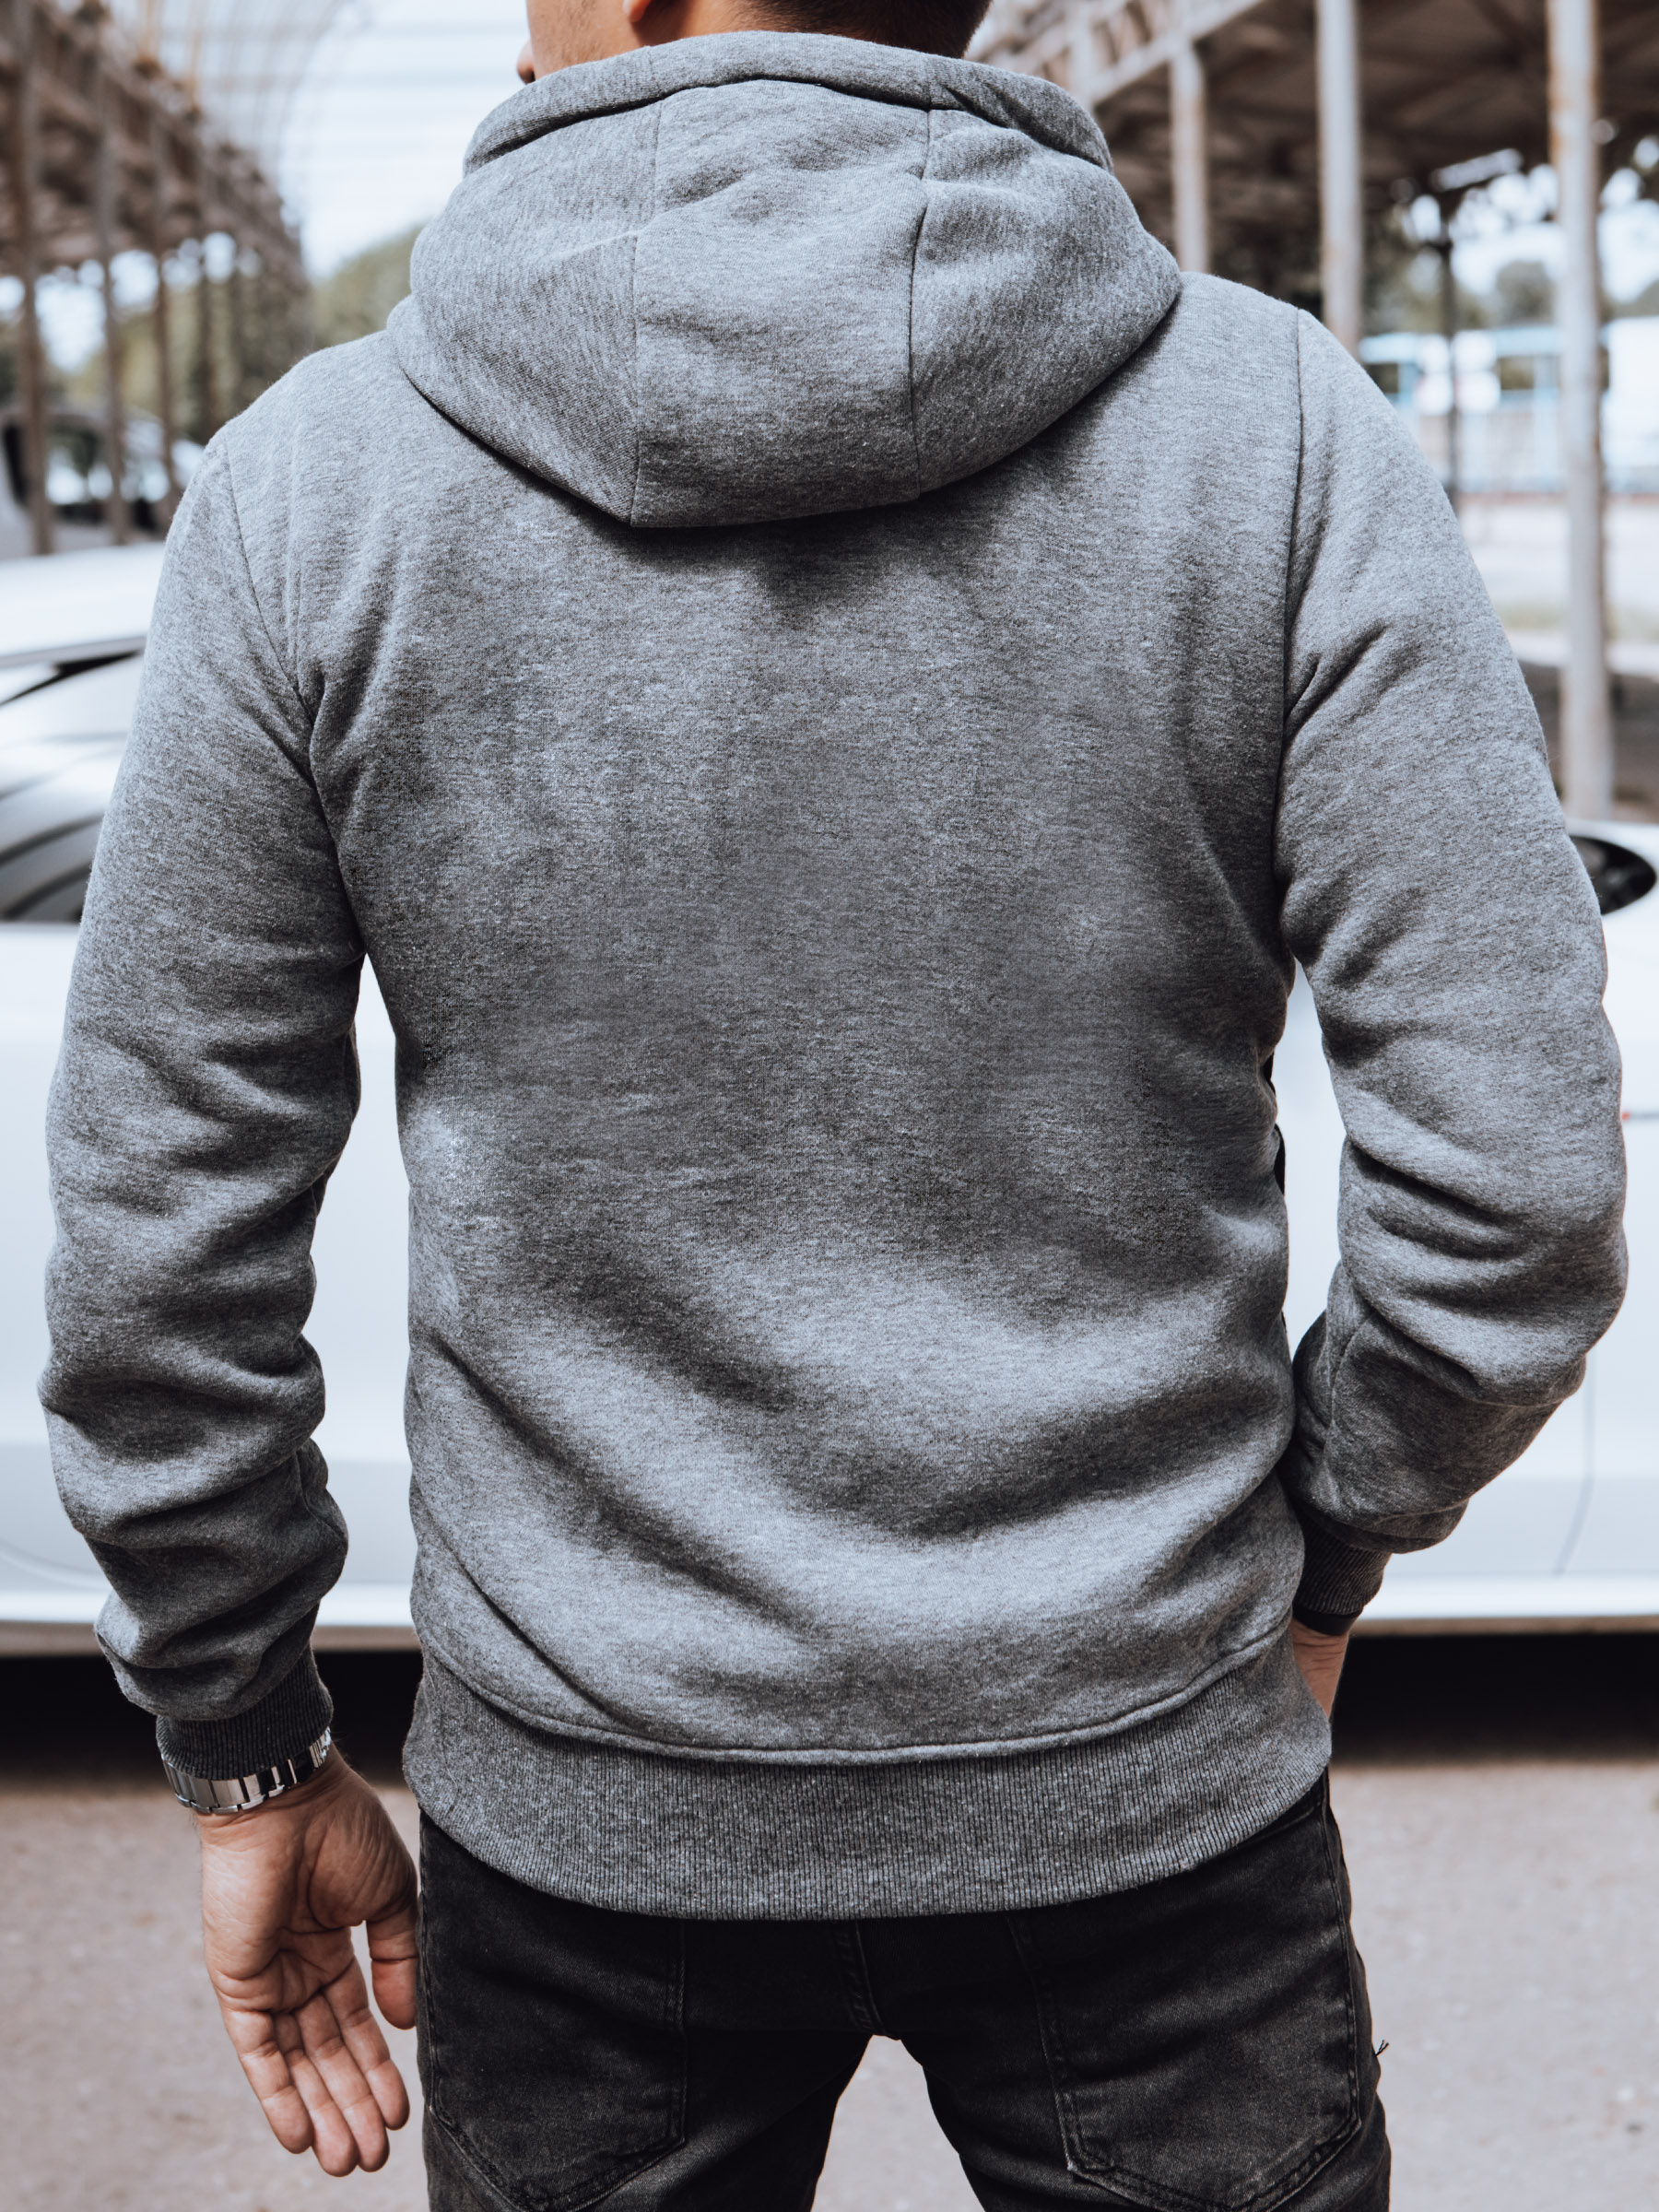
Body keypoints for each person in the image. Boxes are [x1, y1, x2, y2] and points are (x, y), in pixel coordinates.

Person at [43, 0, 1625, 2201]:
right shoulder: (1272, 433)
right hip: (1157, 1803)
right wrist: (1324, 1554)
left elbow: (160, 1244)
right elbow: (1515, 1190)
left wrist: (246, 1740)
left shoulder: (318, 484)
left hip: (585, 1836)